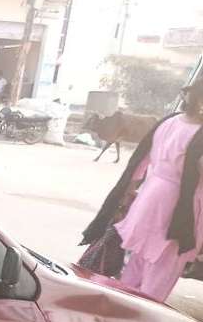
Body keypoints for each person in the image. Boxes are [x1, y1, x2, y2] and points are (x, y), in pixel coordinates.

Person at [79, 77, 203, 301]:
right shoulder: (199, 133)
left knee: (134, 266)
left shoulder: (169, 122)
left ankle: (121, 308)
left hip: (149, 201)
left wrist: (128, 194)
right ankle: (140, 316)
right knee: (161, 274)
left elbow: (139, 163)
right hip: (179, 210)